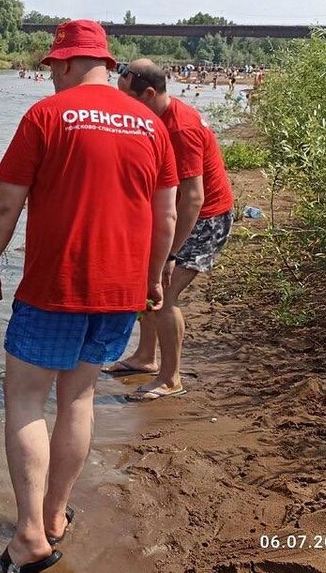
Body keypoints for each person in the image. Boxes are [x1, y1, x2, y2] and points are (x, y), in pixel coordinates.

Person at [0, 20, 178, 571]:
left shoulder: (45, 116)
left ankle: (29, 539)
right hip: (121, 289)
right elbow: (166, 216)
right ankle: (56, 514)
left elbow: (3, 207)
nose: (50, 79)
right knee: (78, 399)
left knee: (24, 401)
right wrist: (153, 279)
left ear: (64, 64)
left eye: (51, 69)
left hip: (55, 286)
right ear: (107, 65)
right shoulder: (151, 124)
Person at [104, 59, 234, 400]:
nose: (122, 107)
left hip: (203, 219)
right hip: (175, 213)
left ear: (149, 93)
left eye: (127, 98)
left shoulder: (181, 128)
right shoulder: (154, 118)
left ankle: (171, 377)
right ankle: (145, 358)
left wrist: (170, 255)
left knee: (164, 293)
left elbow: (193, 197)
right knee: (147, 285)